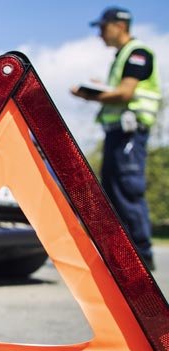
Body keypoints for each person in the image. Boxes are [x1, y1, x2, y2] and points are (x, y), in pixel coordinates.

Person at [72, 6, 161, 271]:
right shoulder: (122, 57)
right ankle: (122, 256)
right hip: (117, 134)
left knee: (127, 190)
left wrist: (91, 95)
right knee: (112, 190)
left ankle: (141, 257)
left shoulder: (137, 53)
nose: (100, 34)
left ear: (119, 26)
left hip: (129, 134)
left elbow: (125, 93)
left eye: (102, 27)